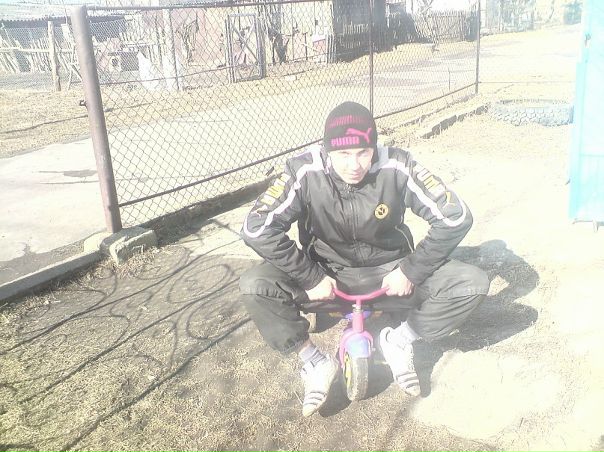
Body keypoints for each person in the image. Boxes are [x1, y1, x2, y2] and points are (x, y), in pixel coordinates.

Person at [239, 101, 489, 417]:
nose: (354, 164)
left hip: (390, 272)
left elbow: (456, 217)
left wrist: (411, 270)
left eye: (363, 152)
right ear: (327, 150)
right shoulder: (303, 171)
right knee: (255, 285)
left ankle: (399, 340)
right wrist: (309, 276)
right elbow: (256, 228)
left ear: (375, 148)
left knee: (471, 283)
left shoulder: (398, 164)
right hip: (326, 276)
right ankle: (314, 361)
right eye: (343, 154)